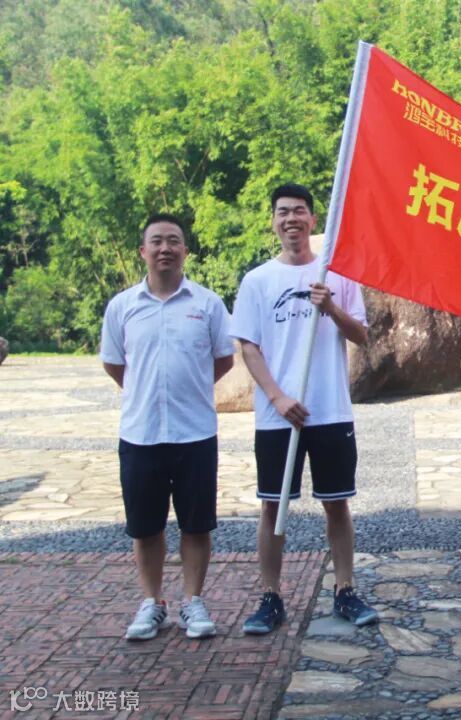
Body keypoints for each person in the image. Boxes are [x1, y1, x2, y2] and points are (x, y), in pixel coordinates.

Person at [231, 183, 377, 634]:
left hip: (330, 410)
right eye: (282, 212)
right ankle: (270, 596)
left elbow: (361, 335)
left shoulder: (338, 274)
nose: (290, 219)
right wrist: (277, 397)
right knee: (272, 507)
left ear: (312, 220)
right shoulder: (257, 280)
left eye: (299, 211)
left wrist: (330, 306)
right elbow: (249, 346)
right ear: (273, 221)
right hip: (278, 415)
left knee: (337, 504)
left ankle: (345, 590)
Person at [101, 213, 235, 641]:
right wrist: (146, 391)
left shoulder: (207, 304)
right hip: (140, 433)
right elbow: (115, 364)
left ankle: (193, 600)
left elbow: (224, 359)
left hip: (195, 432)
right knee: (146, 526)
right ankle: (152, 602)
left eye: (173, 241)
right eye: (156, 241)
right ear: (143, 251)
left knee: (196, 524)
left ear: (185, 251)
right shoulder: (122, 306)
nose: (165, 248)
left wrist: (187, 389)